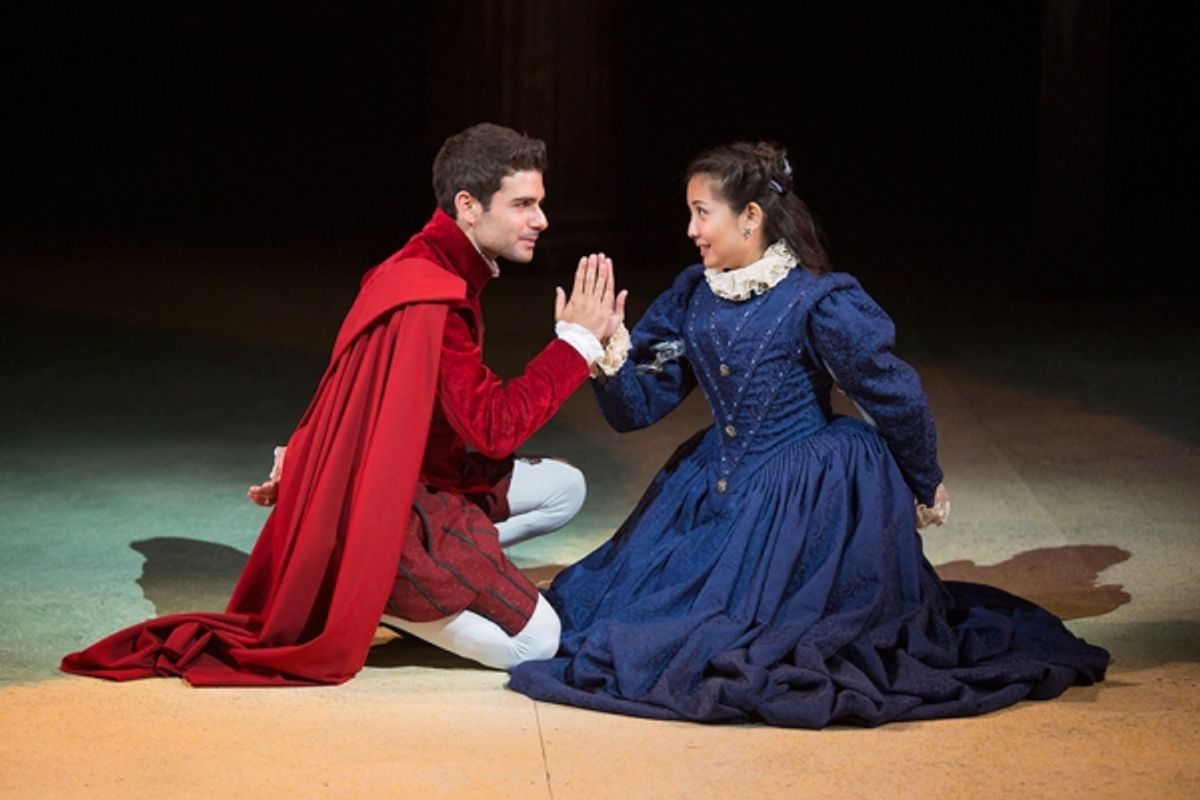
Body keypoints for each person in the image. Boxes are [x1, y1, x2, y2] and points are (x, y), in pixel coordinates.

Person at [508, 141, 1109, 727]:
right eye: (689, 212)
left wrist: (924, 479)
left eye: (701, 213)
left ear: (751, 217)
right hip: (717, 478)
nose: (690, 229)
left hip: (807, 489)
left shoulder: (817, 302)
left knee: (754, 632)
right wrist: (598, 352)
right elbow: (635, 411)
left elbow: (894, 395)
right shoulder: (693, 294)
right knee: (626, 611)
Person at [61, 122, 625, 685]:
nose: (541, 221)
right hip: (395, 508)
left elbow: (353, 387)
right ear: (468, 206)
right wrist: (574, 346)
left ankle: (430, 565)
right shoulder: (430, 294)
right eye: (523, 204)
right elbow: (493, 429)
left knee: (565, 488)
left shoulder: (420, 267)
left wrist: (307, 451)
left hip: (425, 478)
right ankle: (378, 586)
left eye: (540, 203)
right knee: (539, 643)